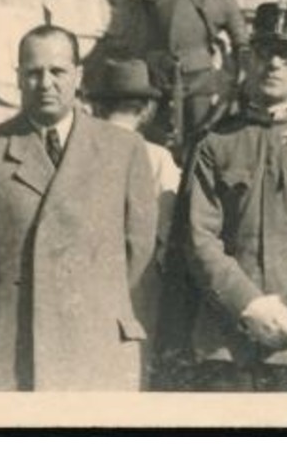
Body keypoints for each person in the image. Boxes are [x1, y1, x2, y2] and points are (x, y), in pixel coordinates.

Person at [0, 25, 157, 391]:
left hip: (95, 342)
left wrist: (86, 293)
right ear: (18, 78)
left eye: (57, 71)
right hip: (10, 348)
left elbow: (137, 251)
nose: (45, 83)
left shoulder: (124, 150)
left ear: (78, 75)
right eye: (33, 72)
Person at [177, 2, 287, 392]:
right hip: (224, 341)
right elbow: (198, 236)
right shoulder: (215, 143)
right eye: (264, 53)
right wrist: (248, 304)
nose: (274, 64)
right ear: (247, 60)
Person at [104, 0, 249, 150]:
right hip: (156, 77)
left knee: (199, 140)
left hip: (200, 78)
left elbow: (242, 42)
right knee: (152, 139)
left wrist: (239, 77)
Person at [88, 56, 182, 385]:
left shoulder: (75, 153)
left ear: (96, 107)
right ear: (146, 110)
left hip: (82, 277)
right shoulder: (158, 158)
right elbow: (168, 229)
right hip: (139, 281)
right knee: (132, 371)